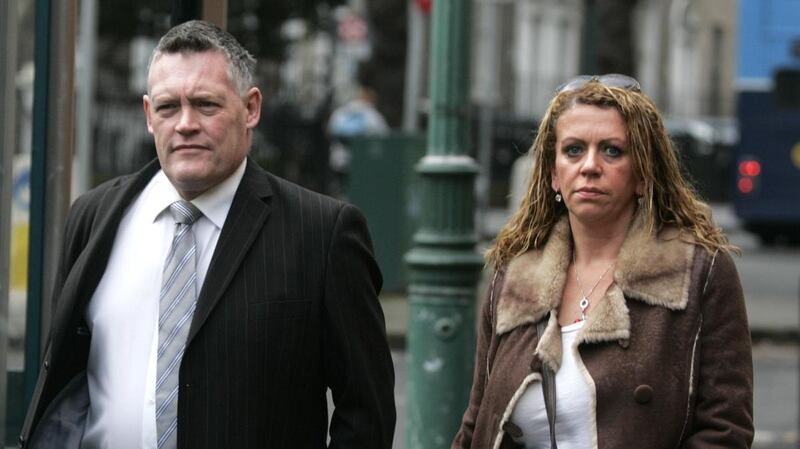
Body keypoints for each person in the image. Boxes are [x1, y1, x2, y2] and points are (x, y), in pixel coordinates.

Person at [20, 20, 395, 449]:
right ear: (148, 115)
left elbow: (367, 414)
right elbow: (65, 378)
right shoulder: (94, 217)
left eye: (206, 105)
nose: (185, 124)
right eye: (167, 107)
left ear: (251, 108)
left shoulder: (323, 233)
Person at [451, 74, 753, 448]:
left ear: (643, 175)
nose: (590, 166)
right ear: (553, 175)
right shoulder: (515, 276)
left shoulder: (698, 273)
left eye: (612, 151)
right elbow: (476, 423)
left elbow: (726, 431)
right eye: (573, 150)